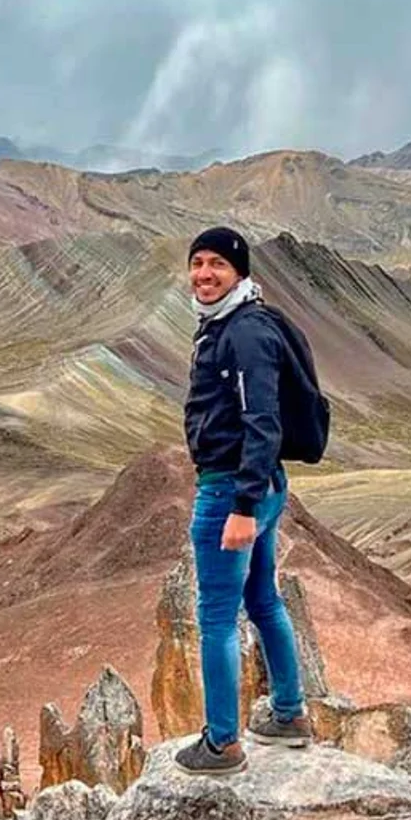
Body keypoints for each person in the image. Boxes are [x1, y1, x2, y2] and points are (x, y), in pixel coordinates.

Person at [175, 227, 311, 775]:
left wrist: (242, 507)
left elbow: (262, 420)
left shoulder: (243, 334)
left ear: (241, 273)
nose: (204, 275)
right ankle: (288, 713)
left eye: (217, 266)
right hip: (258, 486)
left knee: (215, 618)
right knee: (262, 600)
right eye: (198, 263)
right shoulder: (233, 323)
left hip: (234, 489)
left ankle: (222, 743)